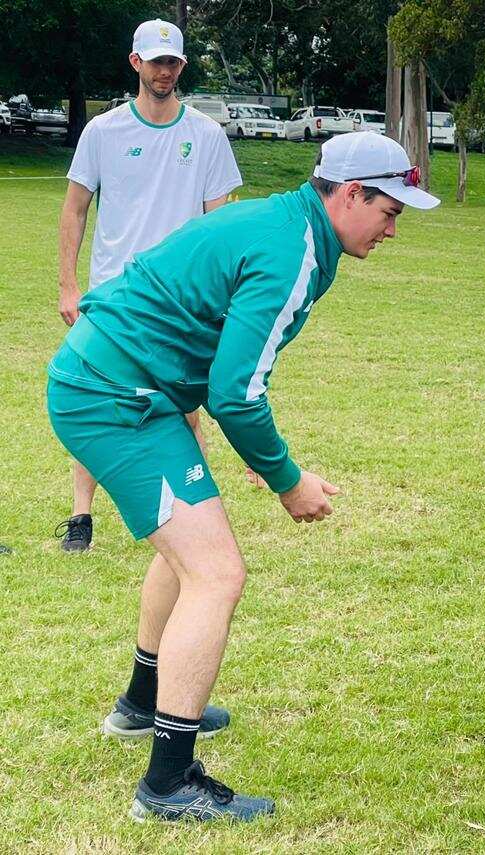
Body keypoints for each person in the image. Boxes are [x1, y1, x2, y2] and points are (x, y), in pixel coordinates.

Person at [46, 133, 439, 821]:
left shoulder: (290, 226)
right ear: (349, 195)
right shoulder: (292, 246)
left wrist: (260, 454)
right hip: (113, 395)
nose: (394, 228)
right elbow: (236, 392)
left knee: (191, 543)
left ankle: (143, 704)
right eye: (390, 210)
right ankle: (168, 782)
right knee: (217, 571)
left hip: (129, 386)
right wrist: (288, 480)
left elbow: (216, 348)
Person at [55, 18, 242, 552]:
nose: (165, 71)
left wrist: (219, 298)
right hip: (113, 297)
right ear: (136, 63)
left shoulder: (205, 136)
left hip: (179, 302)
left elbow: (218, 225)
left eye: (173, 62)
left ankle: (199, 508)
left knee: (185, 405)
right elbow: (74, 209)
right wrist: (69, 286)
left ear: (182, 66)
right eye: (155, 61)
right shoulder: (104, 130)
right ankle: (81, 517)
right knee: (97, 399)